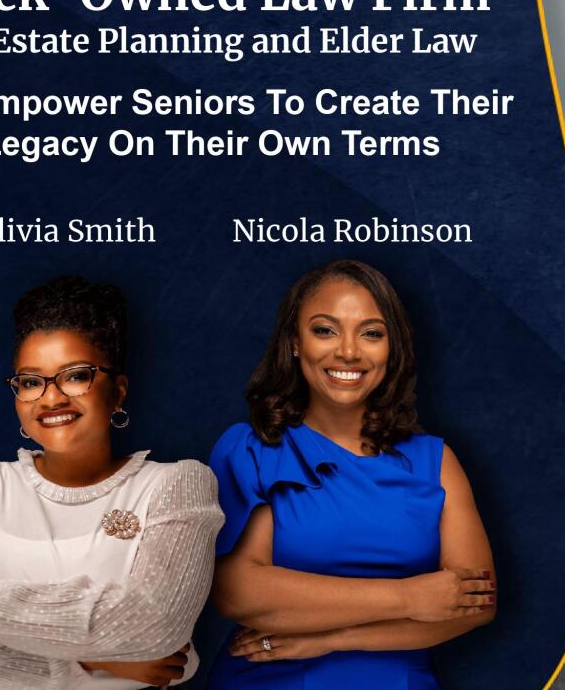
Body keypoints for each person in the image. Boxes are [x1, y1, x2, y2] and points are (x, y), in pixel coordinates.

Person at [0, 276, 222, 688]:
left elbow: (155, 625)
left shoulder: (177, 485)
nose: (51, 397)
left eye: (76, 376)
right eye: (30, 381)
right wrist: (91, 663)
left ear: (118, 393)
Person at [207, 259, 497, 688]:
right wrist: (409, 597)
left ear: (392, 347)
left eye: (371, 333)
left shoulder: (434, 461)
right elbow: (239, 592)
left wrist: (335, 638)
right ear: (293, 341)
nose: (348, 351)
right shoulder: (253, 450)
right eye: (325, 330)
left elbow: (476, 604)